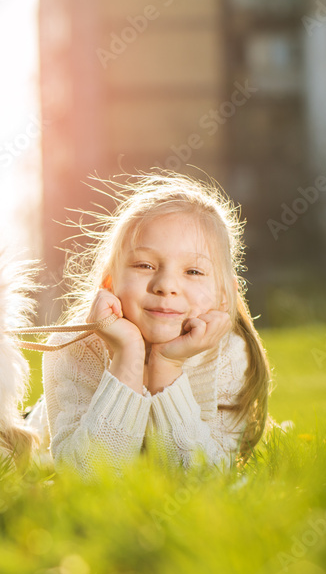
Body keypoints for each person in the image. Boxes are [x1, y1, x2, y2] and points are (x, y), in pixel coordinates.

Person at [27, 171, 271, 480]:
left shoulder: (229, 355)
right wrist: (126, 356)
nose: (166, 285)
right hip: (43, 435)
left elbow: (204, 482)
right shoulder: (77, 350)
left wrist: (166, 366)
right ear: (109, 283)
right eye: (145, 265)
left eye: (193, 271)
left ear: (224, 297)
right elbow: (87, 478)